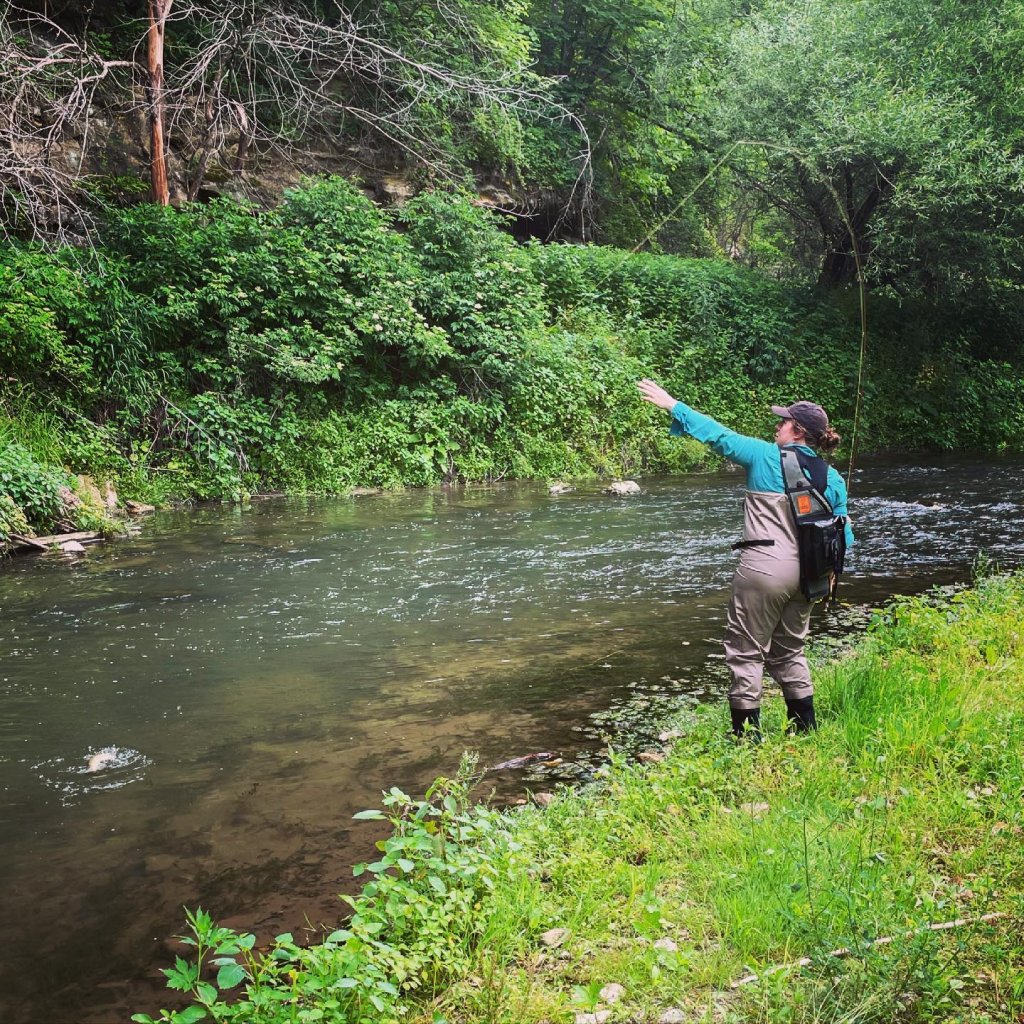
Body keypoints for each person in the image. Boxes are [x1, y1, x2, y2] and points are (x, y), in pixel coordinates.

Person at [637, 379, 854, 738]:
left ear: (798, 431)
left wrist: (673, 405)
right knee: (790, 651)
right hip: (812, 576)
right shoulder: (833, 478)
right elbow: (844, 535)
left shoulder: (762, 455)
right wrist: (830, 577)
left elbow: (717, 435)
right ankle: (804, 729)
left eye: (783, 422)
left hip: (764, 570)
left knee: (746, 652)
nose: (777, 426)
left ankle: (747, 738)